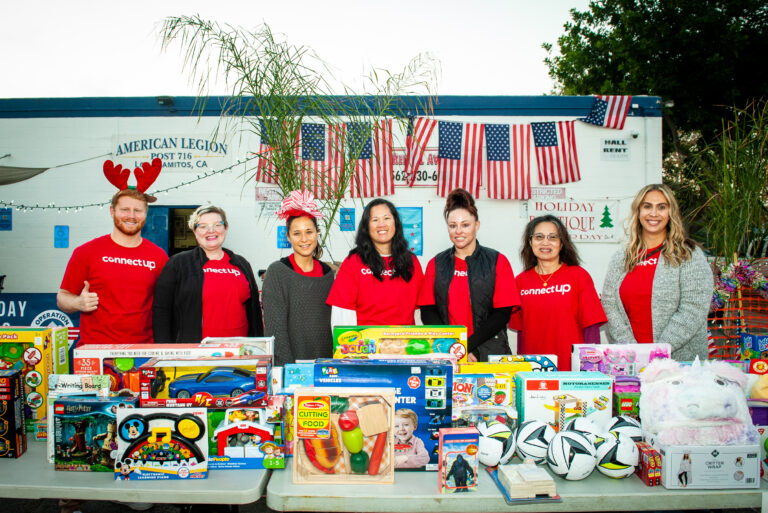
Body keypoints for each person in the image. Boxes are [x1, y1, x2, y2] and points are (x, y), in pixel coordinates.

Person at [601, 183, 713, 361]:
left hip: (679, 362)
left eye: (661, 207)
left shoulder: (688, 254)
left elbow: (693, 308)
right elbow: (609, 303)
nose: (654, 213)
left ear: (671, 212)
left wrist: (658, 352)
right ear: (638, 212)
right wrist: (631, 349)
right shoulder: (622, 257)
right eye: (647, 206)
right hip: (631, 361)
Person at [419, 188, 520, 362]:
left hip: (489, 353)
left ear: (476, 225)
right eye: (453, 226)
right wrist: (452, 347)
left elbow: (502, 314)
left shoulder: (497, 261)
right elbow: (428, 311)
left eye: (465, 225)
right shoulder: (435, 264)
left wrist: (467, 347)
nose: (459, 231)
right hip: (448, 355)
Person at [57, 188, 168, 345]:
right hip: (96, 351)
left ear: (146, 214)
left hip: (143, 351)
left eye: (137, 210)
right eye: (125, 209)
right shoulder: (86, 252)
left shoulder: (159, 256)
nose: (131, 215)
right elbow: (63, 296)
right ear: (112, 211)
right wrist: (77, 303)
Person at [153, 204, 263, 343]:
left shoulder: (241, 263)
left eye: (217, 224)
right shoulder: (178, 263)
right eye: (203, 226)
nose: (211, 230)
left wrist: (258, 348)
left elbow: (254, 313)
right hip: (194, 353)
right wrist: (165, 350)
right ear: (195, 231)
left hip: (239, 351)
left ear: (226, 228)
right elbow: (161, 310)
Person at [509, 215, 606, 370]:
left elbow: (591, 329)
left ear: (561, 243)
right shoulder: (520, 281)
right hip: (534, 370)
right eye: (539, 237)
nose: (545, 242)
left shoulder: (579, 276)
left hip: (571, 370)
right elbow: (521, 333)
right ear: (530, 242)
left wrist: (590, 369)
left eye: (553, 237)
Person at [262, 190, 334, 366]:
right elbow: (275, 330)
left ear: (317, 233)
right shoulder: (277, 272)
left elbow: (335, 324)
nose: (304, 239)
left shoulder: (329, 274)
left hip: (327, 366)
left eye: (309, 232)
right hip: (292, 367)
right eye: (296, 233)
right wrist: (287, 370)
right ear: (288, 237)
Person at [327, 198, 423, 326]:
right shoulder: (353, 262)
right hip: (366, 343)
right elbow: (342, 312)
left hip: (405, 342)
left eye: (387, 218)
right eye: (375, 220)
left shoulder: (412, 261)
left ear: (396, 222)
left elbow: (419, 311)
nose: (381, 224)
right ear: (366, 226)